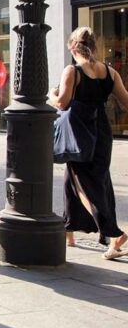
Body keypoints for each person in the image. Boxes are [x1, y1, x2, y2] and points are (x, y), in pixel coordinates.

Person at [49, 27, 128, 260]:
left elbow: (62, 103)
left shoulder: (72, 71)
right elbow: (125, 101)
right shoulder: (110, 72)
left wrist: (50, 95)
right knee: (85, 180)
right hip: (102, 131)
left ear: (74, 47)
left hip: (78, 132)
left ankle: (115, 234)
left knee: (85, 185)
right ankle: (69, 231)